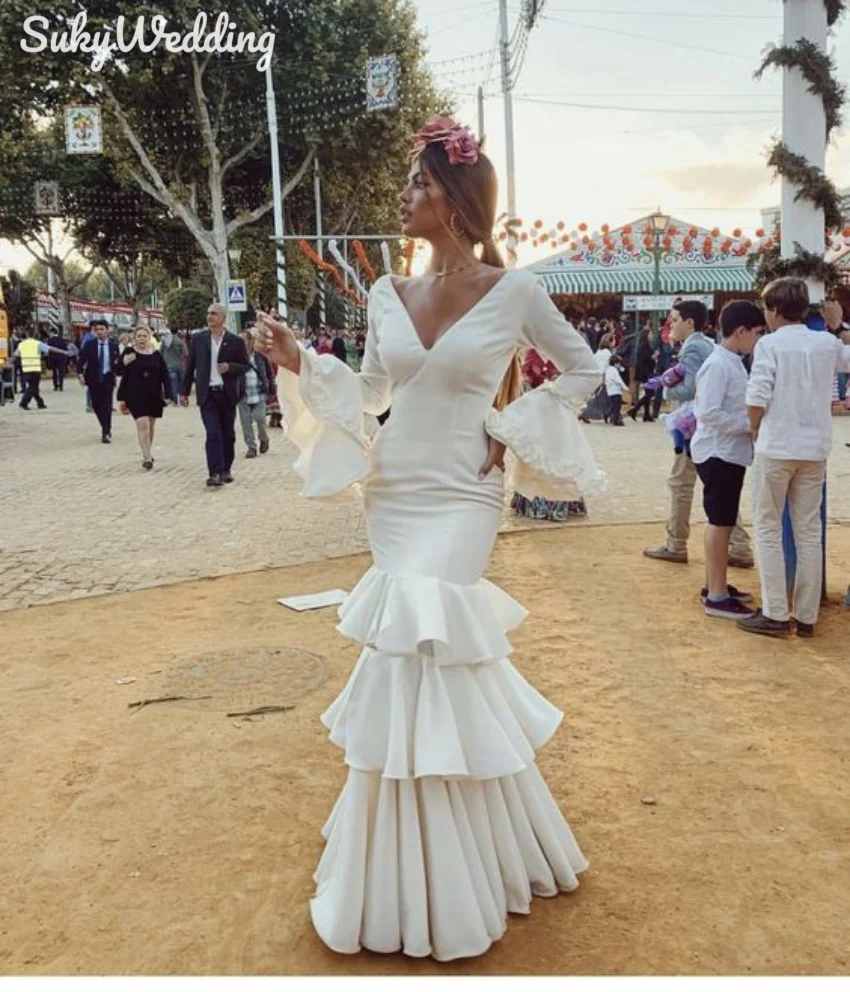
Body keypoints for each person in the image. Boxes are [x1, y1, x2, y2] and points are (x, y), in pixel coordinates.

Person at [256, 115, 603, 962]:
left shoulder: (515, 289)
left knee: (436, 646)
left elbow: (588, 369)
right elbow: (373, 391)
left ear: (452, 198)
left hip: (463, 494)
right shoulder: (386, 295)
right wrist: (301, 359)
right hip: (397, 488)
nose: (404, 197)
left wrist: (509, 427)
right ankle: (407, 863)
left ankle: (458, 866)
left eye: (416, 185)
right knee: (404, 659)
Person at [738, 280, 850, 639]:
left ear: (772, 310)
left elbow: (757, 396)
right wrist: (838, 325)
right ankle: (805, 616)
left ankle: (775, 611)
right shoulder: (826, 342)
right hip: (814, 448)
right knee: (808, 530)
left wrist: (755, 428)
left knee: (768, 526)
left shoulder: (769, 344)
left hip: (777, 446)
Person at [643, 300, 753, 567]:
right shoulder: (706, 345)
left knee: (682, 485)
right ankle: (738, 546)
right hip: (706, 430)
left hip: (695, 429)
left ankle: (677, 543)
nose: (671, 326)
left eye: (675, 320)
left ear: (690, 322)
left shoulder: (694, 347)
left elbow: (692, 389)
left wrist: (667, 390)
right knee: (716, 489)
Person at [691, 301, 764, 621]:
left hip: (727, 451)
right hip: (719, 451)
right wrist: (748, 426)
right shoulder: (719, 364)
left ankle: (715, 583)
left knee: (722, 519)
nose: (760, 339)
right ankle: (716, 595)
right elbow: (708, 412)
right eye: (758, 333)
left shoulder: (731, 361)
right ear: (741, 331)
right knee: (720, 522)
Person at [180, 303, 250, 487]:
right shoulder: (198, 339)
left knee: (228, 434)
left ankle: (226, 468)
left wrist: (230, 367)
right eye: (208, 313)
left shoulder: (235, 341)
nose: (209, 316)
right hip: (207, 394)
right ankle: (214, 472)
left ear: (223, 318)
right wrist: (184, 391)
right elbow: (191, 366)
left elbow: (245, 366)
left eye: (214, 313)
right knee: (213, 433)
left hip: (226, 394)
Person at [116, 325, 172, 469]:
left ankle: (148, 450)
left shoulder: (156, 355)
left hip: (153, 394)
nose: (141, 338)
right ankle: (146, 457)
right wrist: (124, 362)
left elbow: (165, 375)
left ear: (149, 338)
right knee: (142, 424)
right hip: (135, 394)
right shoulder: (129, 352)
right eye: (139, 336)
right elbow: (118, 370)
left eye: (144, 336)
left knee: (151, 425)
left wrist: (169, 394)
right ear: (134, 338)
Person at [78, 318, 122, 443]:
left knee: (107, 406)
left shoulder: (113, 346)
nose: (99, 332)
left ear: (107, 330)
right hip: (93, 379)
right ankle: (104, 425)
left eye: (102, 329)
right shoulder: (89, 345)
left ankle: (106, 432)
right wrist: (80, 373)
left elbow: (117, 363)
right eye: (96, 329)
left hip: (108, 379)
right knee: (96, 405)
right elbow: (81, 360)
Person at [238, 328, 274, 458]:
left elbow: (269, 373)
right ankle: (251, 447)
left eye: (243, 340)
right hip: (243, 394)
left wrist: (271, 388)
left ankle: (263, 438)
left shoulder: (260, 356)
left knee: (260, 418)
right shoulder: (236, 357)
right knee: (246, 422)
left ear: (250, 341)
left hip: (259, 393)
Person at [13, 330, 70, 410]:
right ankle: (24, 402)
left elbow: (15, 355)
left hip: (26, 369)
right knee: (33, 388)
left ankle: (40, 403)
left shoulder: (21, 344)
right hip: (35, 369)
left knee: (34, 387)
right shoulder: (37, 344)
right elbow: (51, 349)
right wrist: (63, 352)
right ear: (35, 336)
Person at [627, 326, 657, 422]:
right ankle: (634, 409)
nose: (652, 335)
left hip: (646, 372)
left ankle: (646, 414)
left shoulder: (646, 345)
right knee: (650, 393)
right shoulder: (644, 346)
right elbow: (644, 359)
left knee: (648, 393)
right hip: (645, 373)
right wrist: (653, 356)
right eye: (650, 334)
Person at [159, 327, 187, 405]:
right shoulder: (180, 341)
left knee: (172, 384)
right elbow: (185, 353)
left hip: (169, 366)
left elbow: (160, 352)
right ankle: (182, 399)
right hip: (179, 365)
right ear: (177, 331)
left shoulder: (164, 341)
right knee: (181, 384)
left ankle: (175, 401)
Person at [604, 354, 627, 425]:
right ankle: (615, 421)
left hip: (610, 390)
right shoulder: (614, 371)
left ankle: (607, 414)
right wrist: (625, 387)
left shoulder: (608, 370)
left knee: (613, 405)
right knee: (617, 406)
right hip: (616, 390)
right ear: (616, 363)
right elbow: (618, 380)